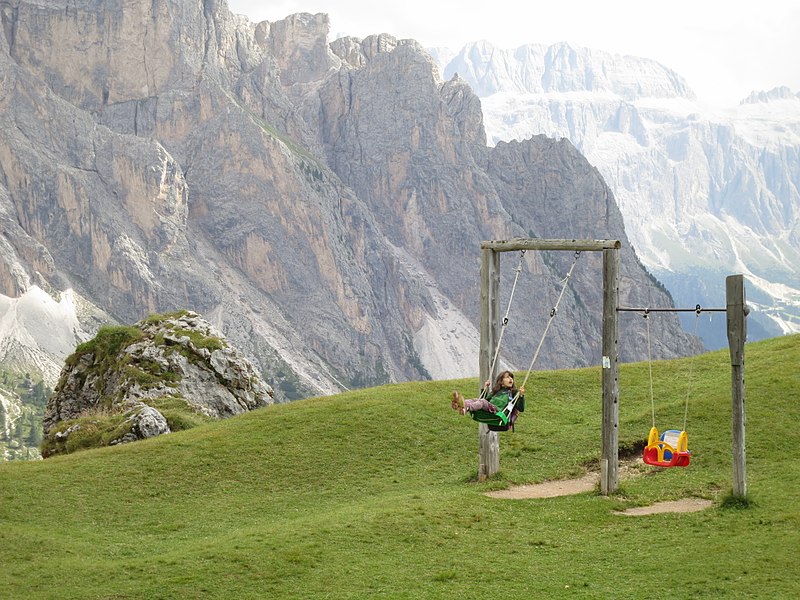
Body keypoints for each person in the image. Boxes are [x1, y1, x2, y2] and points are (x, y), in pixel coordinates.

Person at [450, 370, 525, 427]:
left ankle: (466, 407)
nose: (510, 379)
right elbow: (484, 399)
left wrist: (521, 396)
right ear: (501, 382)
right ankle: (459, 404)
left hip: (498, 412)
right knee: (476, 400)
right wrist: (485, 388)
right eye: (507, 377)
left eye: (511, 377)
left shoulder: (513, 392)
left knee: (482, 402)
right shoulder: (496, 391)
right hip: (490, 409)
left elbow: (521, 408)